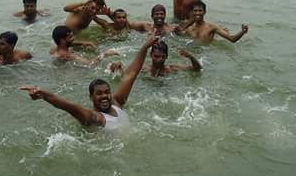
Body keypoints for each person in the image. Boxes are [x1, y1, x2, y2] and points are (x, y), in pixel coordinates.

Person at [19, 34, 159, 130]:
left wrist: (145, 47)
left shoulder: (117, 102)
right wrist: (43, 94)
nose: (104, 96)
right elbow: (69, 107)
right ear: (91, 97)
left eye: (106, 92)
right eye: (99, 94)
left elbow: (131, 74)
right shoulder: (94, 118)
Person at [110, 39, 201, 77]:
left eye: (163, 57)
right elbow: (124, 75)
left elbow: (197, 69)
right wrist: (118, 66)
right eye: (156, 56)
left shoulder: (172, 69)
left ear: (167, 57)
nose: (159, 59)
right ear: (151, 55)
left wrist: (191, 57)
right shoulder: (144, 68)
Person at [178, 1, 249, 43]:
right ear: (192, 12)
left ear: (204, 12)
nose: (198, 13)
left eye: (200, 11)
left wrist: (242, 32)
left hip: (206, 55)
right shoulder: (189, 28)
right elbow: (178, 35)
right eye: (195, 11)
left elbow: (232, 39)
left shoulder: (211, 27)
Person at [50, 25, 118, 66]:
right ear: (62, 40)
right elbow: (90, 64)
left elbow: (68, 44)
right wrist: (105, 54)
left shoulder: (53, 49)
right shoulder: (68, 56)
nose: (73, 38)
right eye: (70, 37)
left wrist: (83, 43)